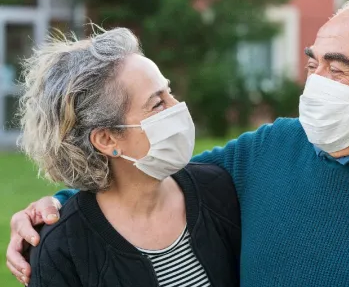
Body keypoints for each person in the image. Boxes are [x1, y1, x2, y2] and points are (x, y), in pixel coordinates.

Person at [8, 0, 349, 286]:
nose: (316, 82)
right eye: (314, 63)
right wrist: (55, 206)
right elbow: (146, 180)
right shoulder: (268, 151)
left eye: (339, 69)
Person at [8, 27, 240, 286]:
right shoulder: (62, 248)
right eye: (158, 104)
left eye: (169, 92)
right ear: (107, 140)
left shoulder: (218, 191)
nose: (178, 108)